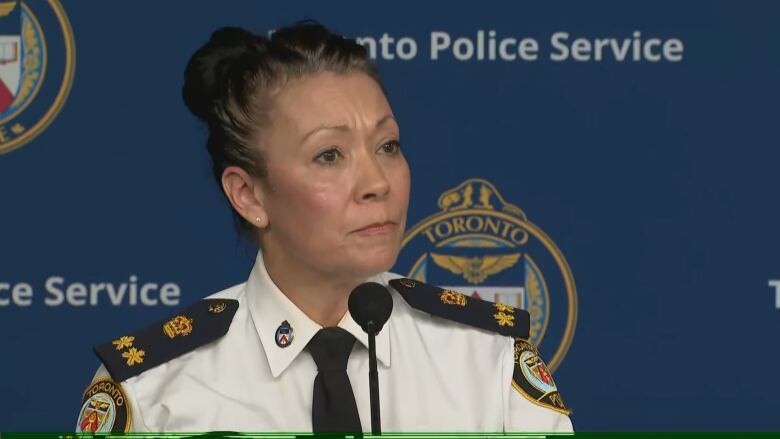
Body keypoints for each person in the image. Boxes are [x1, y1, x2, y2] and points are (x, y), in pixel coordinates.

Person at [74, 21, 574, 433]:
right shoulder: (150, 391)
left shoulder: (487, 359)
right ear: (248, 195)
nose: (377, 182)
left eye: (388, 147)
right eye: (329, 155)